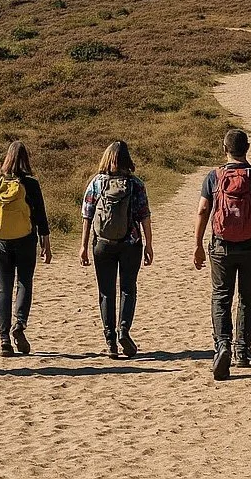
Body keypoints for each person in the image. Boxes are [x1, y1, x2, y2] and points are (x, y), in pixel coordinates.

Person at [194, 127, 251, 380]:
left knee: (221, 296)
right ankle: (242, 352)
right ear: (247, 149)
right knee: (247, 297)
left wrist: (198, 244)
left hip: (221, 246)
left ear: (225, 149)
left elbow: (202, 211)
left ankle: (222, 346)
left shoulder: (214, 177)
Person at [79, 140, 153, 358]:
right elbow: (144, 215)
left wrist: (83, 245)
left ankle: (110, 339)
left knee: (106, 291)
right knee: (128, 289)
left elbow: (87, 214)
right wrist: (149, 244)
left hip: (102, 243)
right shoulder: (135, 184)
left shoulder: (97, 183)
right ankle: (124, 330)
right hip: (130, 243)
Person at [0, 140, 52, 357]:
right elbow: (40, 215)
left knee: (3, 289)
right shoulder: (30, 184)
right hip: (25, 239)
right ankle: (19, 324)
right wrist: (45, 243)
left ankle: (4, 341)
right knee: (24, 282)